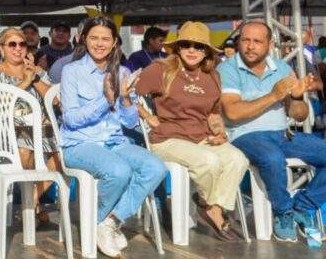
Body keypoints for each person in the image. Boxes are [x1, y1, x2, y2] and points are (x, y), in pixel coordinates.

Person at [59, 16, 167, 258]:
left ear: (115, 42)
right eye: (94, 37)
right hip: (80, 143)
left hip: (115, 142)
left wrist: (127, 99)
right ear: (84, 39)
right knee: (119, 171)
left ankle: (107, 220)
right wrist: (106, 100)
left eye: (105, 38)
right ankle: (100, 223)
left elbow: (129, 122)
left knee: (155, 167)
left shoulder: (123, 72)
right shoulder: (71, 71)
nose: (99, 43)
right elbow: (71, 120)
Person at [135, 22, 248, 240]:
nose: (192, 50)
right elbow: (127, 93)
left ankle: (211, 205)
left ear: (206, 51)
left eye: (199, 46)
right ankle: (211, 209)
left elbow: (214, 114)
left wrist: (219, 132)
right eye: (186, 44)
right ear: (177, 47)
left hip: (201, 137)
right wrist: (148, 116)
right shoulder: (160, 69)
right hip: (167, 138)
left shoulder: (213, 75)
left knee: (237, 159)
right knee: (208, 161)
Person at [218, 21, 326, 243]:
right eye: (245, 40)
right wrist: (274, 96)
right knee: (271, 157)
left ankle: (303, 207)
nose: (250, 46)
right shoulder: (227, 69)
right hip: (245, 134)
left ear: (270, 44)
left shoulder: (282, 68)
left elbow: (299, 115)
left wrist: (296, 96)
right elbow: (233, 113)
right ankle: (283, 212)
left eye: (257, 41)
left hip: (282, 134)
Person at [0, 27, 60, 224]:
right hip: (7, 132)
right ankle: (32, 205)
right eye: (12, 44)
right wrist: (24, 83)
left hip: (42, 130)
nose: (18, 48)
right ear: (1, 48)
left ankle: (33, 199)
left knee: (65, 154)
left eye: (22, 44)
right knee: (26, 148)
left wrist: (34, 78)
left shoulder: (38, 72)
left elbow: (56, 100)